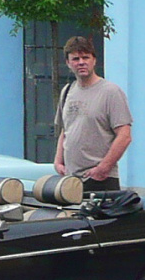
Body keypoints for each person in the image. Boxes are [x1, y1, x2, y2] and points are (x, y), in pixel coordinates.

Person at [53, 36, 132, 194]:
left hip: (101, 180)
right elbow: (65, 130)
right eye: (76, 59)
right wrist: (58, 161)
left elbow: (124, 136)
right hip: (71, 181)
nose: (81, 62)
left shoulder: (111, 92)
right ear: (68, 63)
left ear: (94, 60)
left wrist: (103, 168)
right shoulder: (67, 91)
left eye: (86, 57)